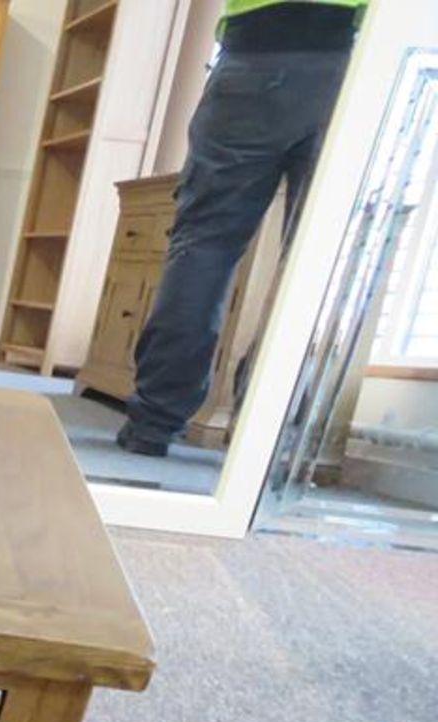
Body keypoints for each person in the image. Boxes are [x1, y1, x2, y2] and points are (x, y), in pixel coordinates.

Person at [117, 0, 364, 456]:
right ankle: (267, 428)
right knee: (314, 259)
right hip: (348, 65)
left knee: (203, 248)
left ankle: (152, 423)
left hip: (252, 55)